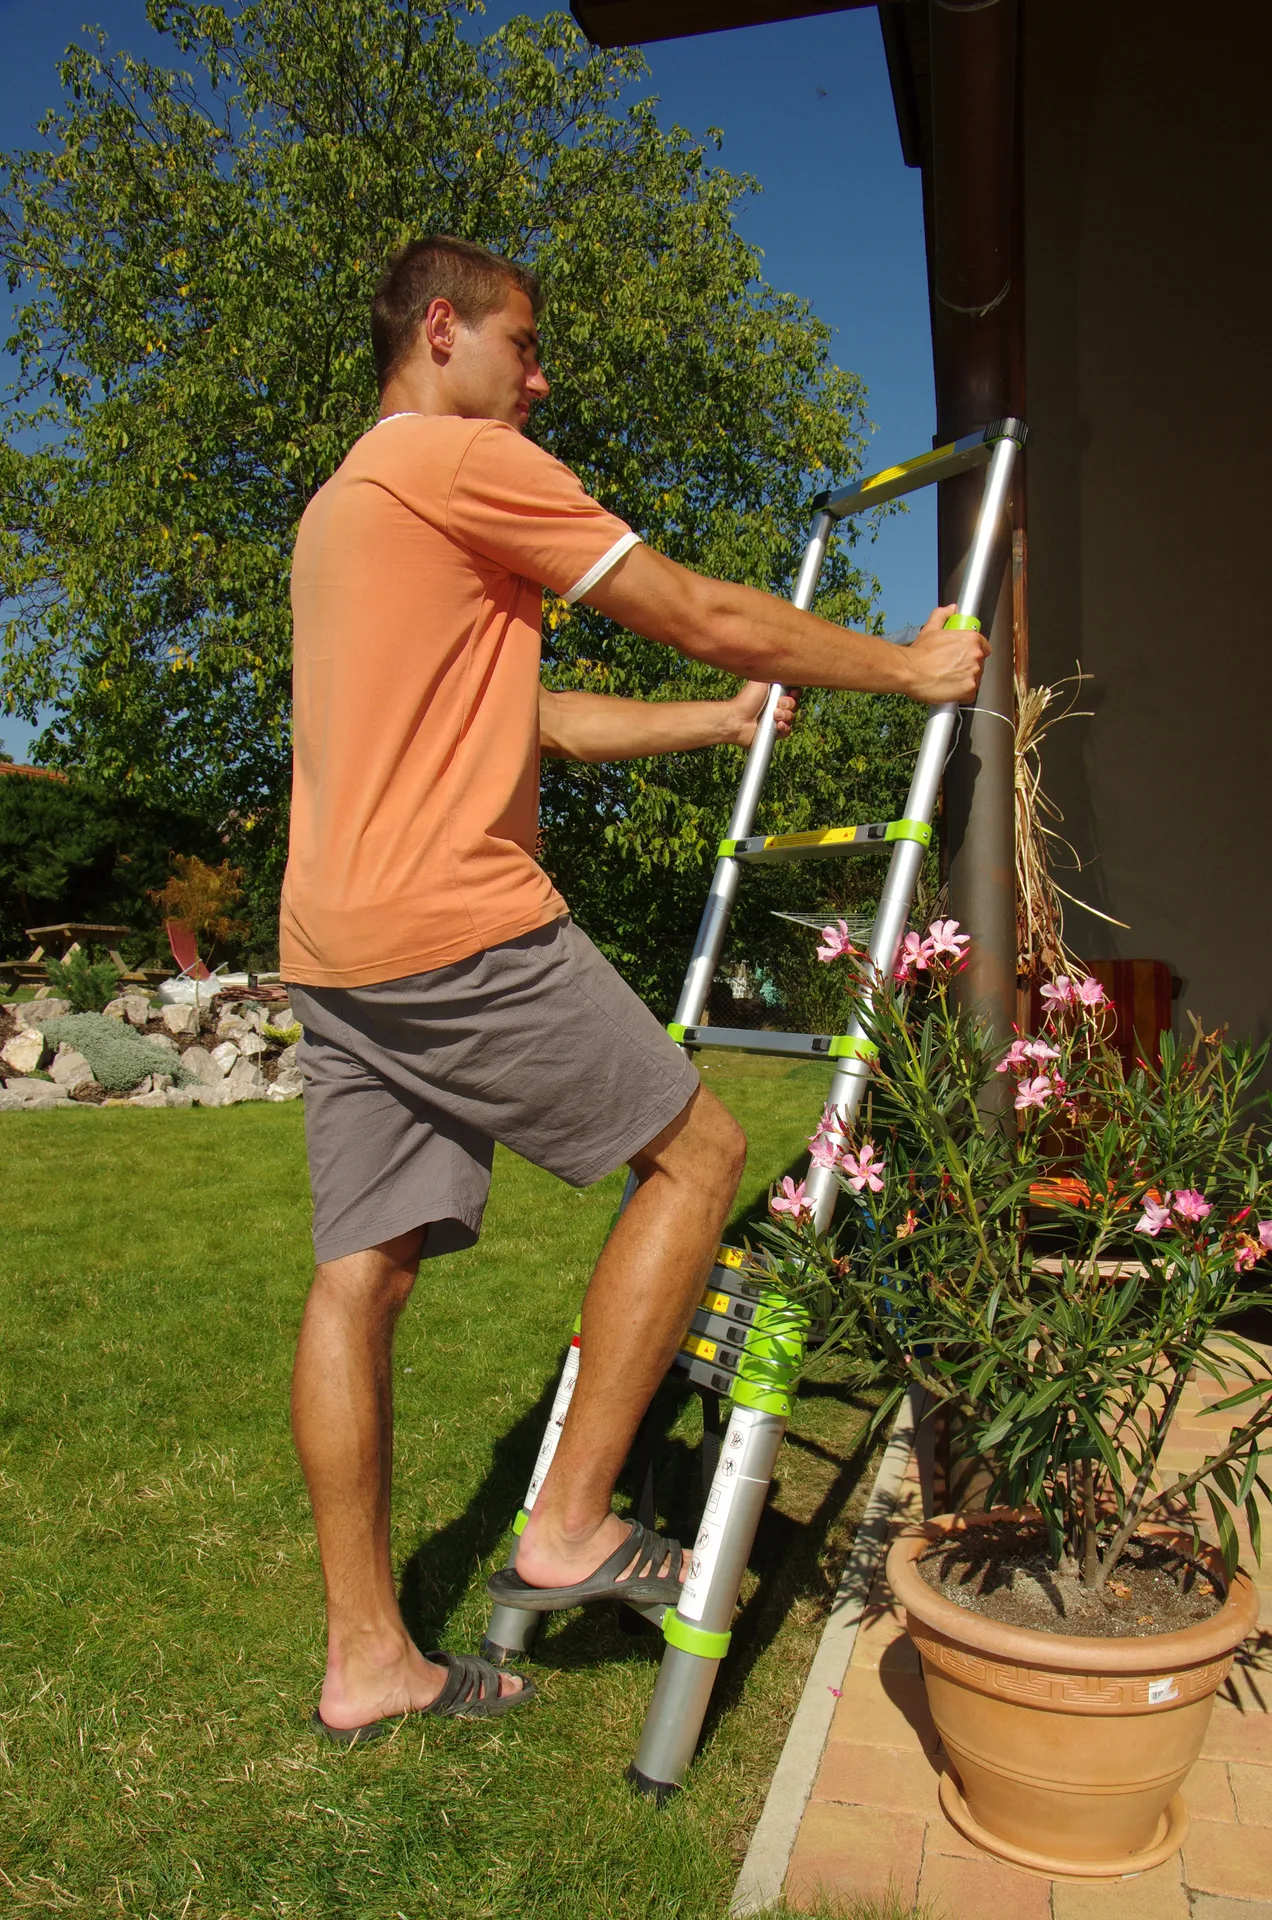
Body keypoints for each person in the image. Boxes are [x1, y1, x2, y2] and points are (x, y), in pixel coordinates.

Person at [281, 236, 987, 1743]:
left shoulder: (343, 509)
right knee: (703, 1157)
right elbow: (693, 605)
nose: (540, 378)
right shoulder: (465, 460)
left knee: (362, 1275)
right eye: (524, 344)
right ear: (443, 328)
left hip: (335, 947)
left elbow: (523, 715)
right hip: (455, 925)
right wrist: (907, 670)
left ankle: (368, 1659)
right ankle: (570, 1524)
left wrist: (716, 727)